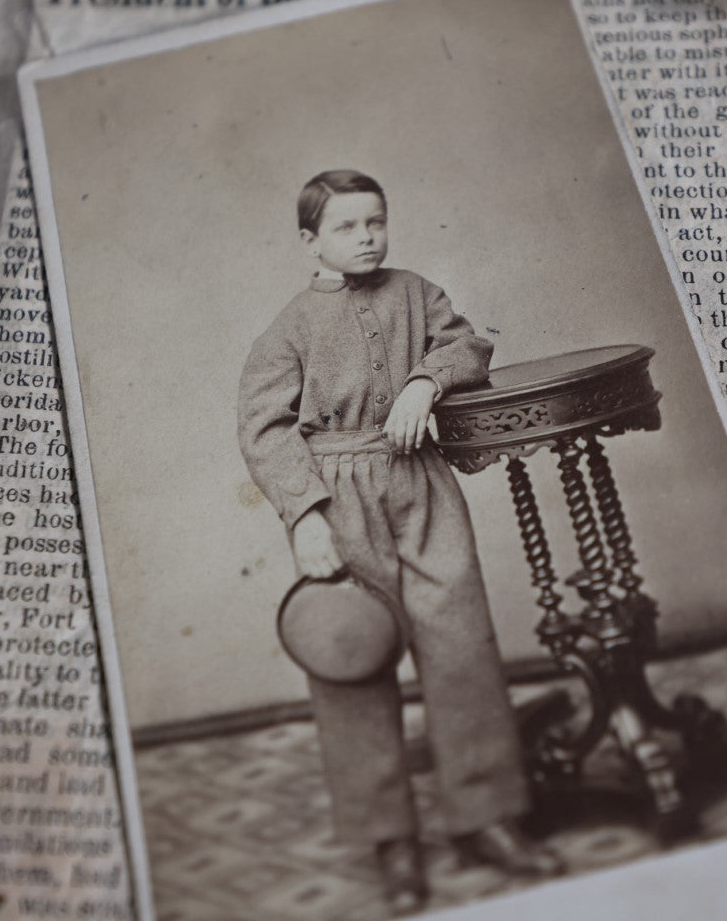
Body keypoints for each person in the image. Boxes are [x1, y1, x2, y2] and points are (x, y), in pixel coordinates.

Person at [237, 170, 564, 913]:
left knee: (462, 647)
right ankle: (391, 841)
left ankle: (486, 818)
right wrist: (304, 516)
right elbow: (262, 428)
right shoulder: (288, 328)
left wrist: (425, 381)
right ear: (309, 241)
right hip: (339, 494)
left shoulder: (417, 292)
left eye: (374, 222)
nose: (365, 238)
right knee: (352, 659)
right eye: (347, 227)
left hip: (421, 486)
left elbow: (468, 346)